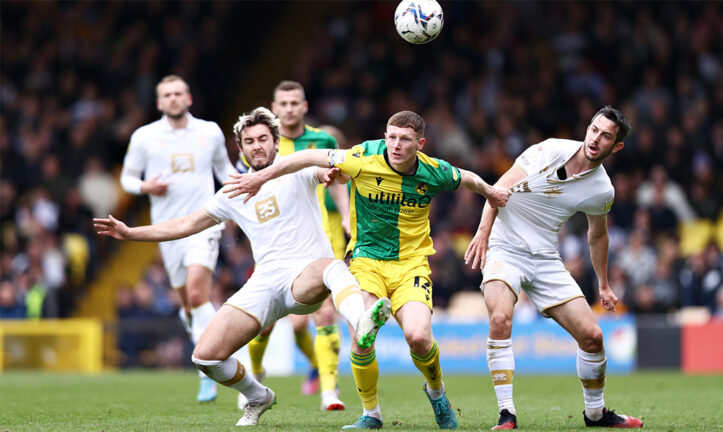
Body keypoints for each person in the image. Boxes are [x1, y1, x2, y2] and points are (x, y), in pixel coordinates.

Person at [97, 107, 391, 427]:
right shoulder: (232, 191)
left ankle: (362, 319)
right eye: (249, 141)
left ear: (277, 142)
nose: (257, 146)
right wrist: (130, 233)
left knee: (332, 265)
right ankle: (257, 395)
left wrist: (331, 176)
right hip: (265, 281)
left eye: (263, 138)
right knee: (205, 357)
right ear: (240, 148)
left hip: (305, 275)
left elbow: (330, 171)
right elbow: (185, 224)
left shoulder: (295, 167)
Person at [223, 110, 511, 430]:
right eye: (391, 137)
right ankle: (371, 414)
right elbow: (306, 156)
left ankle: (437, 392)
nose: (396, 145)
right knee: (362, 337)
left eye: (405, 139)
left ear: (421, 143)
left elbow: (467, 178)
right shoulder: (362, 156)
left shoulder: (434, 171)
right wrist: (261, 176)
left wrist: (491, 192)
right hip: (366, 260)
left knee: (418, 338)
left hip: (410, 265)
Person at [464, 106, 643, 430]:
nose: (596, 139)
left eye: (606, 136)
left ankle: (595, 414)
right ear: (587, 128)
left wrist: (602, 285)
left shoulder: (602, 190)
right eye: (594, 129)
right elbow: (496, 191)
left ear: (615, 147)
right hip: (505, 247)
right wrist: (483, 233)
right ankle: (507, 415)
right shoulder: (548, 150)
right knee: (501, 318)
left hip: (546, 257)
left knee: (592, 336)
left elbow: (597, 235)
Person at [119, 75, 237, 403]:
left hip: (204, 223)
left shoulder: (209, 132)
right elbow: (127, 178)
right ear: (159, 102)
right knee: (188, 305)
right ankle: (208, 363)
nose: (173, 99)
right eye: (166, 95)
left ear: (189, 98)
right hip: (168, 231)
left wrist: (249, 184)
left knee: (199, 293)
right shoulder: (145, 137)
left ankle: (219, 365)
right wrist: (145, 187)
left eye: (178, 93)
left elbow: (224, 171)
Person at [237, 81, 351, 410]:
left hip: (321, 235)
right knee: (270, 320)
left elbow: (338, 179)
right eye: (282, 103)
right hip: (276, 237)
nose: (288, 109)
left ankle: (330, 390)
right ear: (275, 107)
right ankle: (256, 372)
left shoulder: (323, 140)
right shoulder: (262, 141)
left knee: (325, 313)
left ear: (304, 106)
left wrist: (345, 215)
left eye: (294, 103)